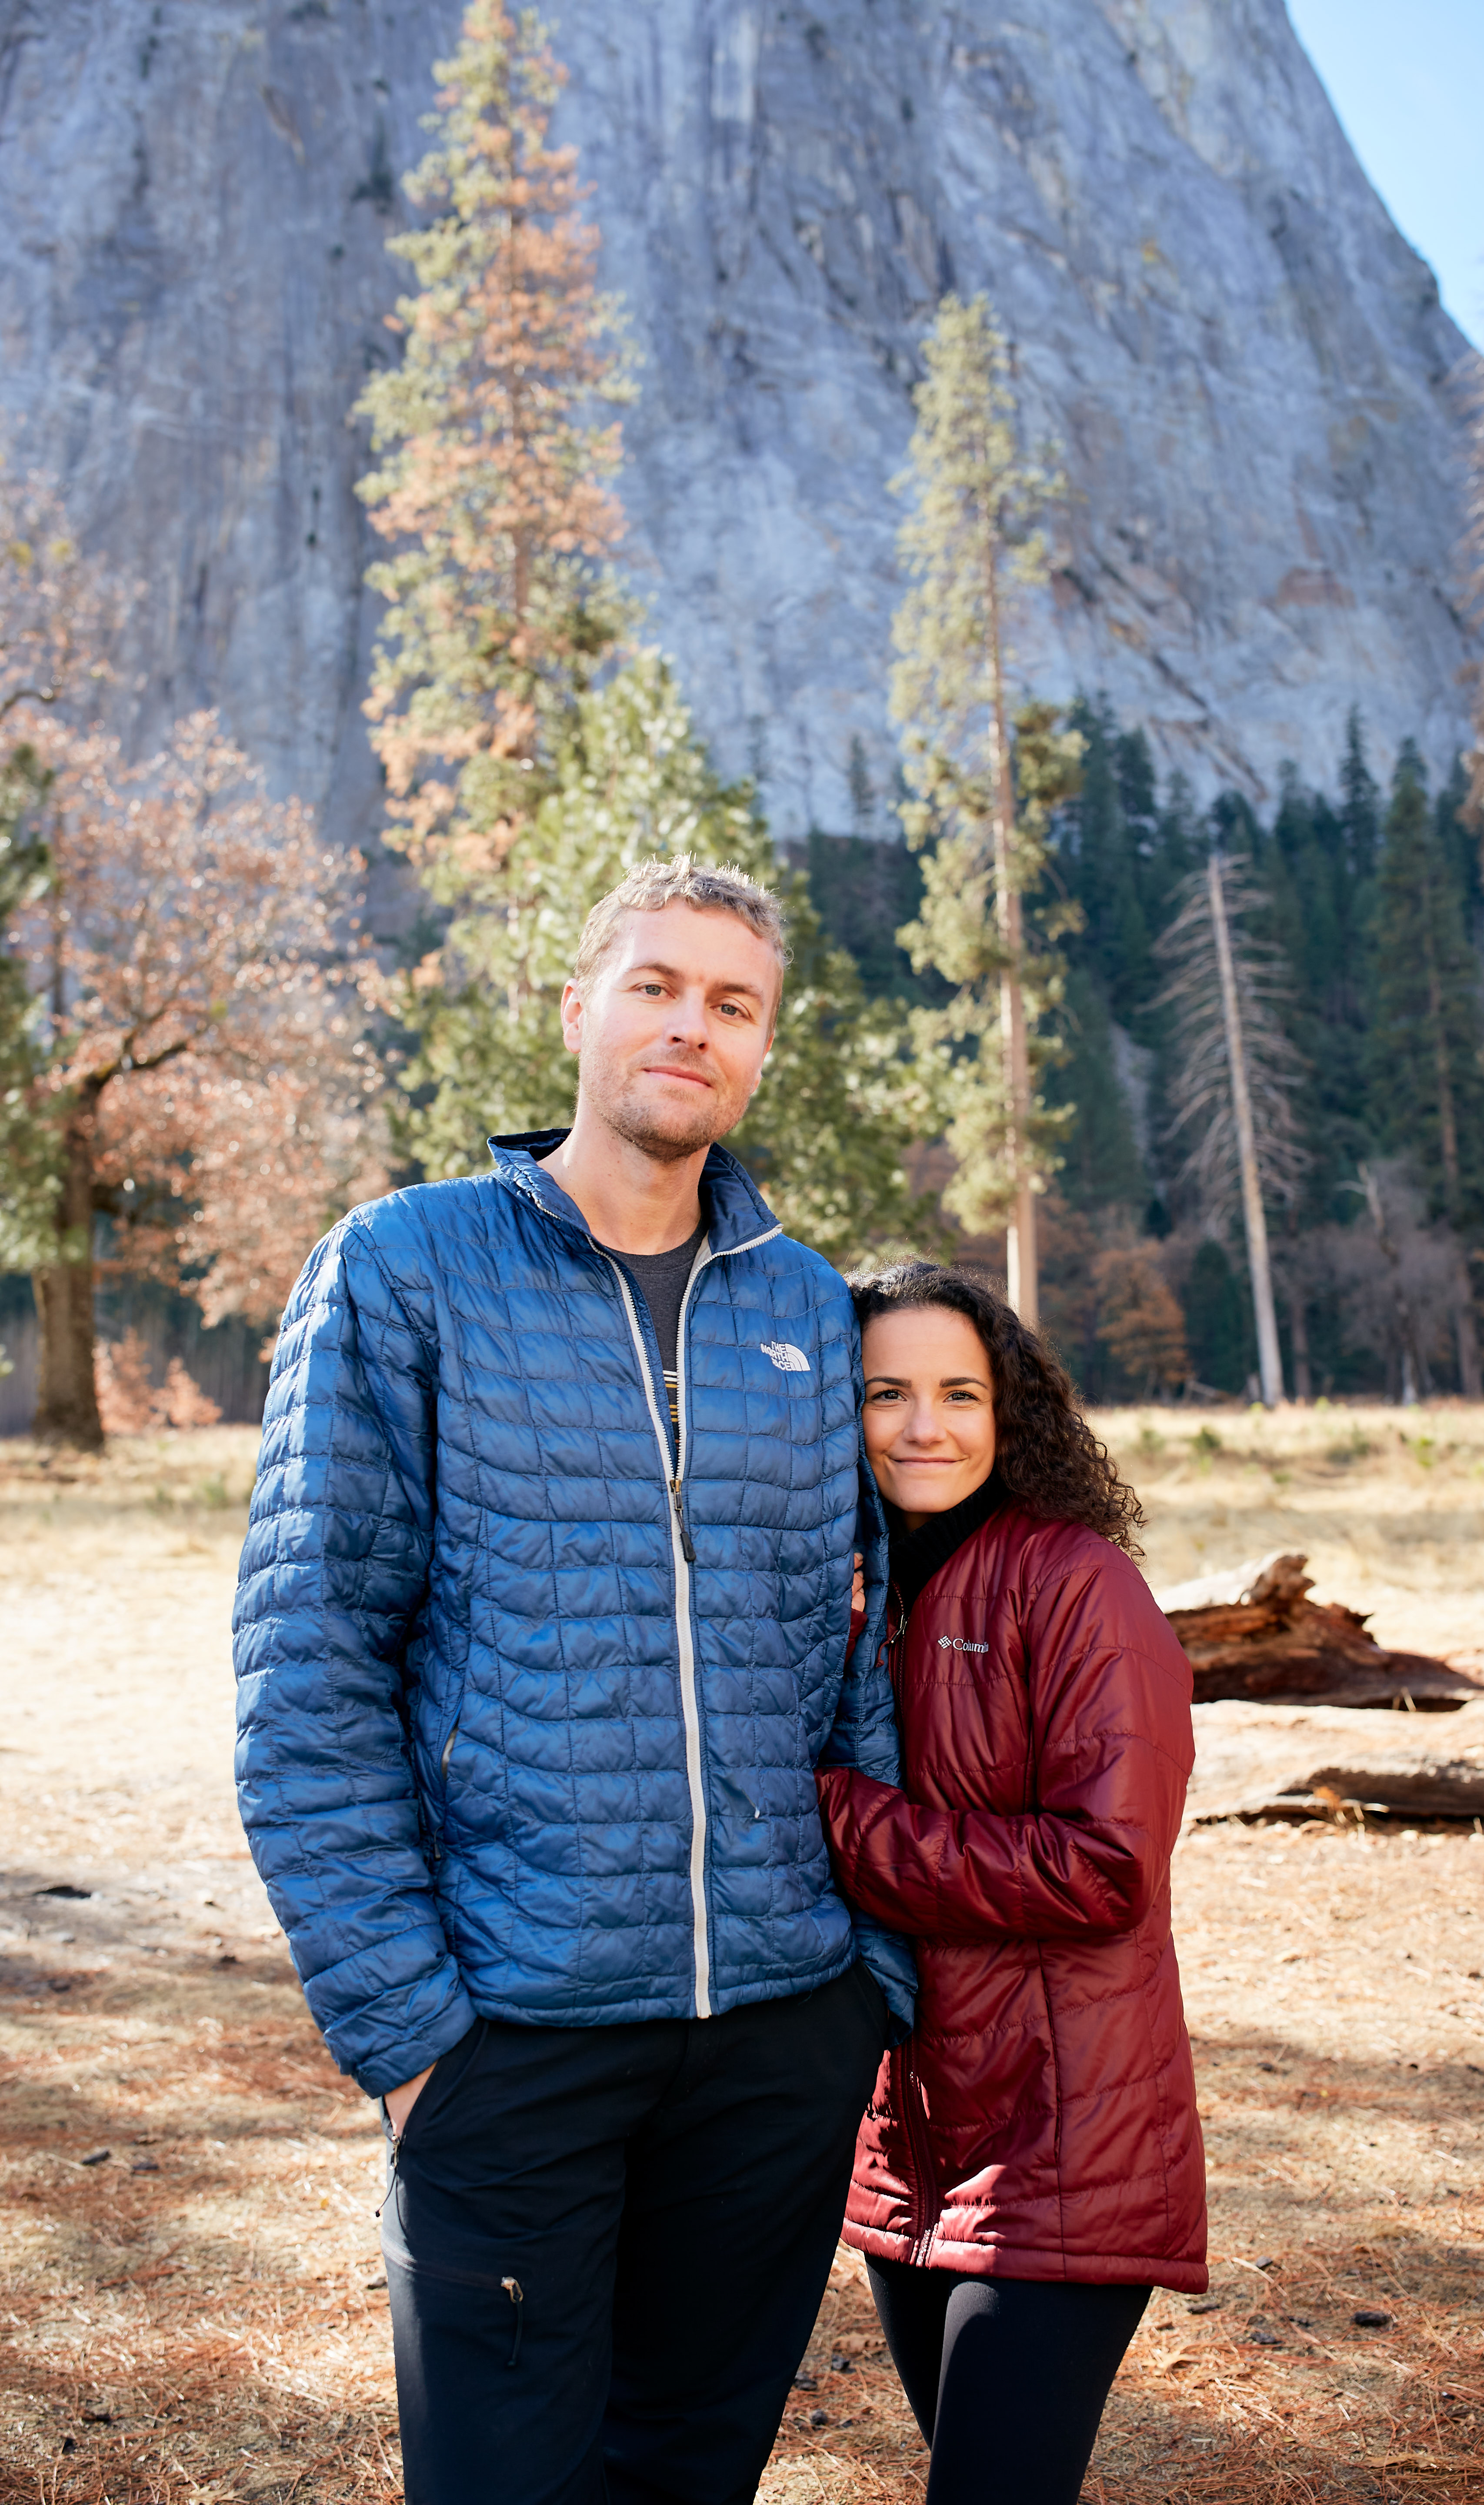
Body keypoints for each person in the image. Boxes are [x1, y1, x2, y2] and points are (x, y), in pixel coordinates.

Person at [232, 856, 912, 2505]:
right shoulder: (407, 1269)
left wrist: (866, 1989)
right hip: (511, 2031)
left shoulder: (811, 1309)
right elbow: (308, 1669)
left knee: (691, 2473)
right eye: (659, 988)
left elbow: (863, 1660)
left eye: (732, 1005)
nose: (694, 1027)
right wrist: (410, 2033)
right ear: (579, 1012)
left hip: (774, 2039)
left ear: (763, 1050)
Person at [817, 1262, 1207, 2505]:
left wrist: (836, 1819)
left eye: (959, 1393)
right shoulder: (844, 1589)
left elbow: (1107, 1870)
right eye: (885, 1393)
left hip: (1066, 2142)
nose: (923, 1426)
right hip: (907, 2137)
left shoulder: (1078, 1583)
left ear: (1012, 1411)